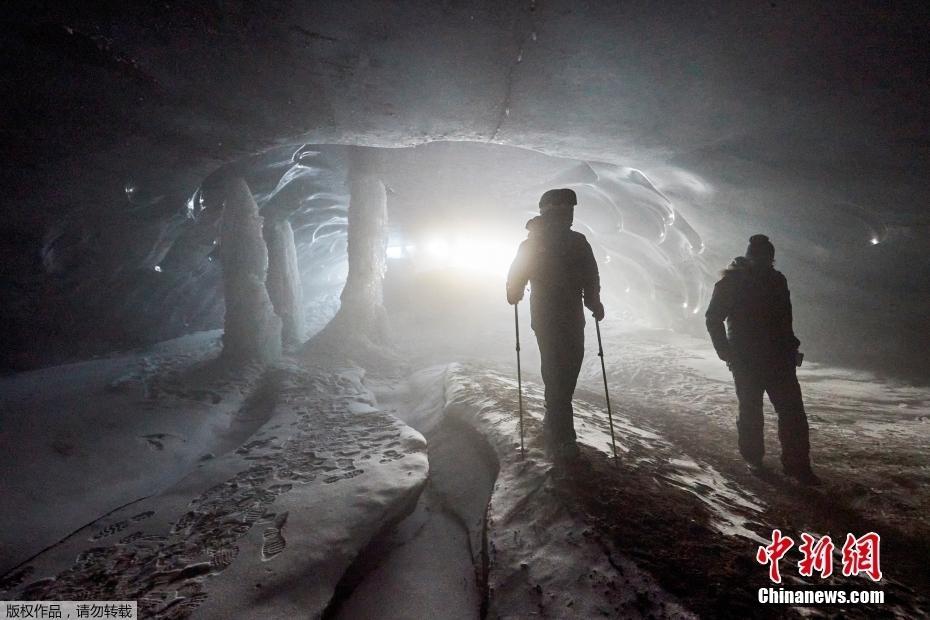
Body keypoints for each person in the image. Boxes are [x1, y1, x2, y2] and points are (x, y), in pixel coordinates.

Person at [705, 234, 820, 485]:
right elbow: (713, 318)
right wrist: (725, 352)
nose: (764, 261)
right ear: (752, 256)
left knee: (787, 412)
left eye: (767, 257)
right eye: (760, 256)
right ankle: (761, 461)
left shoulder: (774, 280)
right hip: (749, 359)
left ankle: (794, 465)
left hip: (774, 358)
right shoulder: (734, 282)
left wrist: (791, 345)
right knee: (758, 411)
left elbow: (784, 319)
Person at [506, 188, 604, 459]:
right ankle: (562, 435)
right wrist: (593, 302)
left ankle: (555, 421)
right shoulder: (575, 242)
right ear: (555, 212)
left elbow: (516, 275)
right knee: (564, 368)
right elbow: (590, 276)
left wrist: (513, 292)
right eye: (567, 210)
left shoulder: (535, 245)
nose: (570, 215)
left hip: (549, 316)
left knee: (557, 368)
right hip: (565, 316)